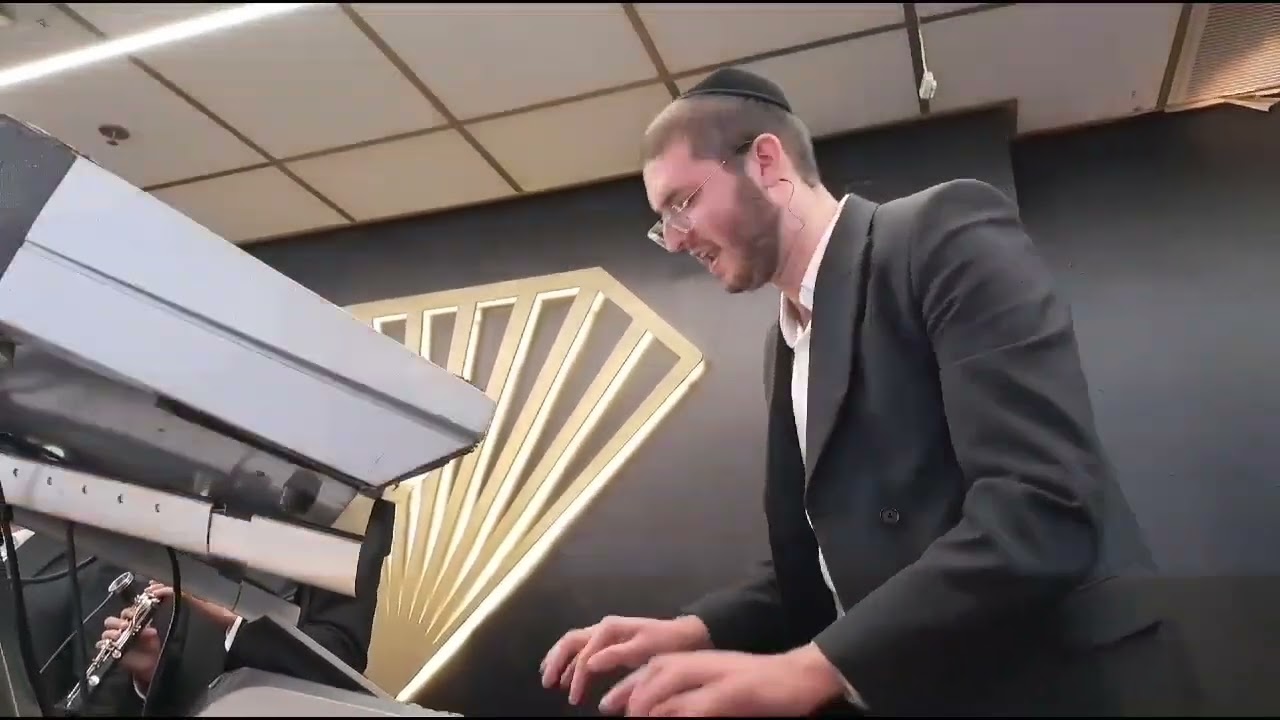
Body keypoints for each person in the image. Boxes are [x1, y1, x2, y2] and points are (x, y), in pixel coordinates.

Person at [540, 68, 1202, 717]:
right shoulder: (784, 344)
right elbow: (826, 565)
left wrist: (811, 669)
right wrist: (696, 629)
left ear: (766, 163)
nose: (676, 240)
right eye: (663, 222)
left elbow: (1039, 503)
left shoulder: (941, 232)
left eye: (681, 203)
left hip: (1067, 685)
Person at [92, 496, 395, 715]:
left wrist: (234, 622)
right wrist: (153, 678)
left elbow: (338, 661)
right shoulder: (182, 477)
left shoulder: (354, 507)